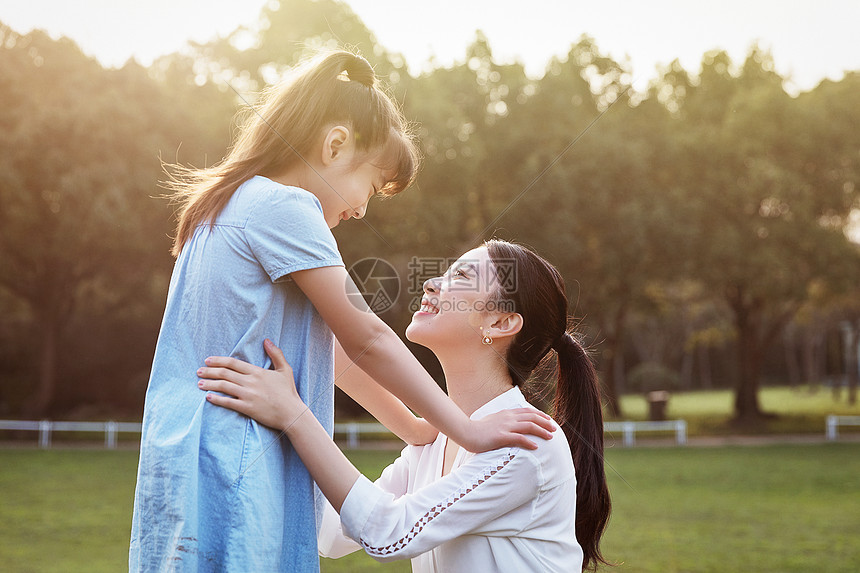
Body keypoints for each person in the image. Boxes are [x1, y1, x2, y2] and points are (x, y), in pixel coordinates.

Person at [129, 52, 554, 572]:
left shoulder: (227, 205)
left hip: (189, 457)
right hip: (235, 457)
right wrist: (466, 431)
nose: (362, 210)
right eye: (372, 187)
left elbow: (332, 353)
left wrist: (415, 426)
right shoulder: (285, 207)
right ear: (335, 146)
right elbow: (366, 339)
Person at [198, 240, 613, 572]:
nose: (432, 283)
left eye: (462, 276)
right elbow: (332, 535)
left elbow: (388, 532)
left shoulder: (527, 443)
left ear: (500, 323)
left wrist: (294, 416)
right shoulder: (431, 442)